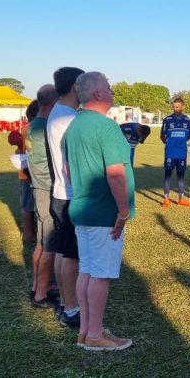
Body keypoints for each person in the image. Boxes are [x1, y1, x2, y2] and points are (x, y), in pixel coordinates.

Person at [62, 71, 135, 351]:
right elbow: (116, 174)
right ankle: (94, 335)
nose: (112, 90)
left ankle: (86, 331)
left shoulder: (74, 126)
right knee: (101, 274)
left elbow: (68, 170)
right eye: (108, 86)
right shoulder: (106, 127)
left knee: (88, 270)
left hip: (82, 208)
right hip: (104, 213)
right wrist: (124, 210)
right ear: (97, 94)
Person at [46, 66, 84, 329]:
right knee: (71, 254)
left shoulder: (58, 112)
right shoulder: (69, 119)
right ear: (75, 87)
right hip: (70, 194)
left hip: (60, 192)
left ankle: (65, 303)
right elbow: (73, 163)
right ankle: (71, 309)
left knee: (62, 251)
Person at [27, 84, 58, 308]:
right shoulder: (44, 129)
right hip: (48, 190)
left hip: (39, 189)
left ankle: (37, 287)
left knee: (40, 243)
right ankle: (41, 296)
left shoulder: (32, 126)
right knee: (49, 245)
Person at [9, 101, 38, 245]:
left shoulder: (26, 128)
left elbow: (18, 150)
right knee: (28, 204)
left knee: (29, 202)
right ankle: (28, 233)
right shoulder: (32, 129)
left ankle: (30, 230)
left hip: (26, 171)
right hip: (28, 172)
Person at [160, 98, 190, 208]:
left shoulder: (187, 120)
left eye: (178, 107)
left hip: (182, 153)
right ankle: (166, 199)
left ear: (183, 107)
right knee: (167, 175)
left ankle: (181, 199)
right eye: (174, 107)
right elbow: (162, 136)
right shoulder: (167, 120)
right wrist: (170, 144)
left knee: (181, 176)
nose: (175, 109)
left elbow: (188, 136)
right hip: (170, 153)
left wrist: (179, 143)